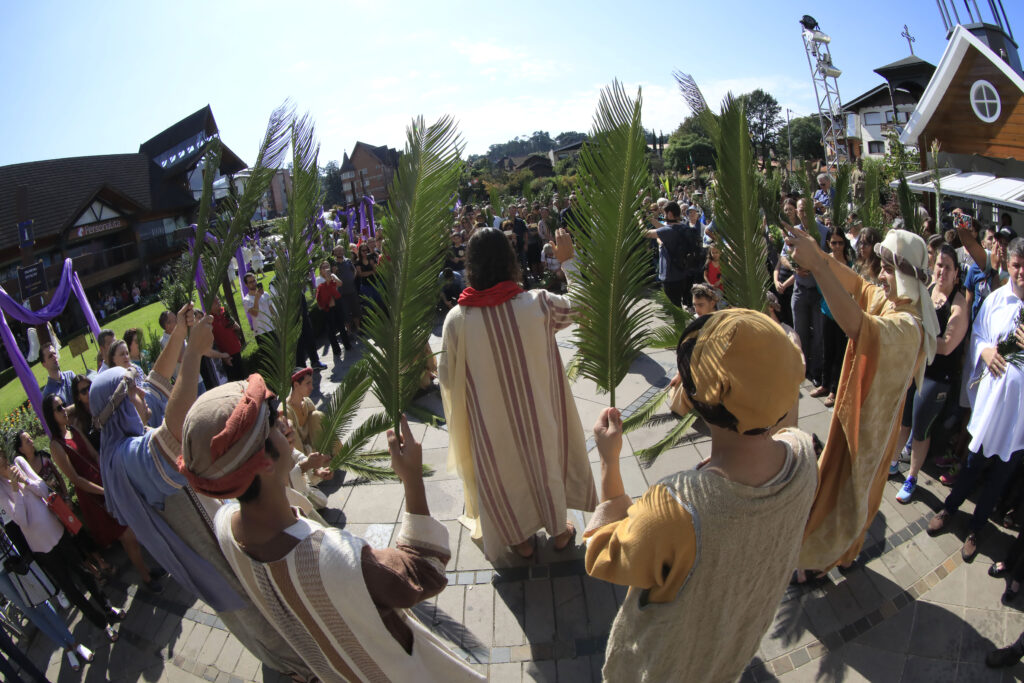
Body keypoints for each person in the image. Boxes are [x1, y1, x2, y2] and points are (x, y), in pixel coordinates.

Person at [178, 377, 484, 682]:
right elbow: (423, 572)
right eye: (272, 422)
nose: (283, 423)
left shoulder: (224, 524)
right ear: (265, 463)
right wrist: (412, 479)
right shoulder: (337, 561)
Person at [584, 309, 817, 682]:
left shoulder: (677, 508)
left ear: (696, 397)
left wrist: (609, 460)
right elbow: (784, 425)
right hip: (732, 652)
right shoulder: (805, 456)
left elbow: (602, 554)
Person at [90, 303, 312, 678]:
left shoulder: (120, 443)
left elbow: (157, 382)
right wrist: (192, 352)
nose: (142, 393)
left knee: (264, 608)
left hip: (219, 540)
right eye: (132, 392)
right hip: (214, 558)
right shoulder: (127, 459)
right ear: (120, 408)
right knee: (259, 618)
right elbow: (175, 434)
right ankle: (302, 670)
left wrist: (180, 331)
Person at [785, 225, 938, 574]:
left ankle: (828, 558)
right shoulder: (894, 301)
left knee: (849, 502)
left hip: (870, 436)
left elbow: (857, 326)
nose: (880, 275)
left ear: (906, 274)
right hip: (854, 417)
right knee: (839, 495)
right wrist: (818, 254)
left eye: (888, 269)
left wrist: (818, 266)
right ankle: (835, 555)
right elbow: (857, 285)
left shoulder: (908, 326)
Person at [439, 228, 597, 560]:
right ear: (510, 261)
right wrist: (569, 262)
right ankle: (559, 531)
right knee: (545, 463)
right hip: (540, 414)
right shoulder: (538, 303)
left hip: (490, 424)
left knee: (503, 474)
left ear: (471, 266)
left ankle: (520, 541)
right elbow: (584, 306)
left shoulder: (457, 320)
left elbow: (448, 379)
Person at [927, 237, 1024, 561]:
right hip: (994, 404)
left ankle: (977, 528)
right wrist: (986, 351)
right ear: (1008, 265)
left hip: (1019, 417)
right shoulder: (996, 299)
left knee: (999, 478)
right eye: (1016, 265)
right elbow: (979, 335)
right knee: (971, 464)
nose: (1021, 272)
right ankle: (950, 508)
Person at [0, 450, 124, 644]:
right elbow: (21, 520)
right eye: (1, 466)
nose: (5, 466)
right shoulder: (2, 490)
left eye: (3, 460)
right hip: (42, 548)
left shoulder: (20, 463)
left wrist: (25, 481)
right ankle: (102, 624)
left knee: (85, 572)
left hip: (58, 532)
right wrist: (16, 490)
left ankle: (107, 607)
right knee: (71, 588)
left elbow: (43, 490)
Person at [42, 393, 162, 591]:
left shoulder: (73, 429)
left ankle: (147, 570)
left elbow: (94, 453)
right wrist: (104, 491)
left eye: (63, 405)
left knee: (133, 529)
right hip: (93, 496)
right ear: (50, 415)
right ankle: (146, 577)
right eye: (58, 408)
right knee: (128, 535)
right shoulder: (56, 445)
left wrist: (110, 476)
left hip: (104, 482)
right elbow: (76, 479)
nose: (64, 410)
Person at [888, 245, 968, 502]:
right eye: (939, 265)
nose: (942, 271)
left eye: (948, 267)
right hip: (917, 366)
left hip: (937, 377)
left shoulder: (958, 304)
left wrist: (917, 334)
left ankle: (912, 478)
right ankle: (892, 463)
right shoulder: (928, 289)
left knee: (921, 427)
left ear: (956, 273)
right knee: (904, 420)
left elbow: (946, 346)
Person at [0, 525, 93, 672]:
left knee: (40, 600)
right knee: (29, 610)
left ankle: (73, 642)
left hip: (7, 553)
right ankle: (65, 647)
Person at [642, 201, 700, 308]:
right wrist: (651, 219)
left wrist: (639, 220)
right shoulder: (684, 228)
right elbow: (662, 228)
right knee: (679, 304)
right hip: (683, 273)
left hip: (670, 276)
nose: (663, 216)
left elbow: (645, 233)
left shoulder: (667, 231)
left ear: (669, 214)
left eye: (664, 213)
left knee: (673, 308)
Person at [314, 262, 352, 356]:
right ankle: (336, 350)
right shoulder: (319, 279)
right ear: (320, 270)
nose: (326, 269)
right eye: (324, 267)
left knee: (341, 325)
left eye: (327, 266)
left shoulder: (332, 275)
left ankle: (347, 345)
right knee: (331, 329)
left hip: (336, 303)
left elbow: (340, 283)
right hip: (327, 306)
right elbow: (323, 291)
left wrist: (333, 277)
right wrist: (328, 280)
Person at [210, 297, 245, 381]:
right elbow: (212, 342)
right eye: (215, 301)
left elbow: (236, 327)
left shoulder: (224, 311)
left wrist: (235, 325)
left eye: (218, 300)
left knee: (242, 377)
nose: (218, 302)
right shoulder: (209, 319)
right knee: (233, 380)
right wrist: (222, 357)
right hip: (226, 355)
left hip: (236, 349)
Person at [242, 272, 275, 356]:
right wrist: (256, 298)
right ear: (246, 285)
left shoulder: (265, 294)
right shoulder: (246, 300)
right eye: (250, 282)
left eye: (254, 280)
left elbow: (272, 310)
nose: (253, 283)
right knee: (268, 356)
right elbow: (255, 313)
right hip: (260, 332)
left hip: (271, 328)